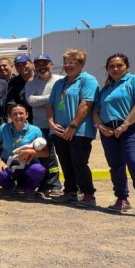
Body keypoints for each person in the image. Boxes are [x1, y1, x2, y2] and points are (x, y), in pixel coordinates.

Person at [93, 53, 135, 220]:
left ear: (127, 67)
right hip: (109, 131)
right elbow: (96, 111)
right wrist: (101, 128)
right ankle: (122, 199)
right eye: (111, 66)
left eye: (119, 65)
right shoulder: (106, 89)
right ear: (108, 69)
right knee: (116, 165)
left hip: (132, 128)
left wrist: (126, 124)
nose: (115, 69)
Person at [47, 49, 98, 207]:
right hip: (60, 130)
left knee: (79, 162)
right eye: (66, 62)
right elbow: (50, 105)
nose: (68, 66)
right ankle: (70, 192)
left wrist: (73, 126)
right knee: (65, 162)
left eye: (72, 63)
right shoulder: (60, 83)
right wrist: (51, 123)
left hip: (80, 131)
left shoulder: (88, 80)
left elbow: (86, 105)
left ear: (82, 64)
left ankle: (88, 194)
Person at [22, 54, 64, 193]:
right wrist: (52, 98)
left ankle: (57, 184)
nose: (42, 67)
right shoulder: (31, 84)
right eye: (38, 64)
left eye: (44, 63)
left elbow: (63, 99)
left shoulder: (61, 80)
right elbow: (31, 101)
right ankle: (47, 184)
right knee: (46, 156)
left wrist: (43, 101)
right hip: (41, 126)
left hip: (60, 125)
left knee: (63, 156)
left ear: (51, 64)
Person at [0, 104, 47, 198]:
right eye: (14, 114)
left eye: (21, 113)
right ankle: (9, 188)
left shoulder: (35, 130)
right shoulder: (3, 128)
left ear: (27, 114)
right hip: (8, 162)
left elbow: (45, 152)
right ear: (10, 116)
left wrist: (30, 152)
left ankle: (29, 189)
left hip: (28, 163)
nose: (18, 116)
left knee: (39, 170)